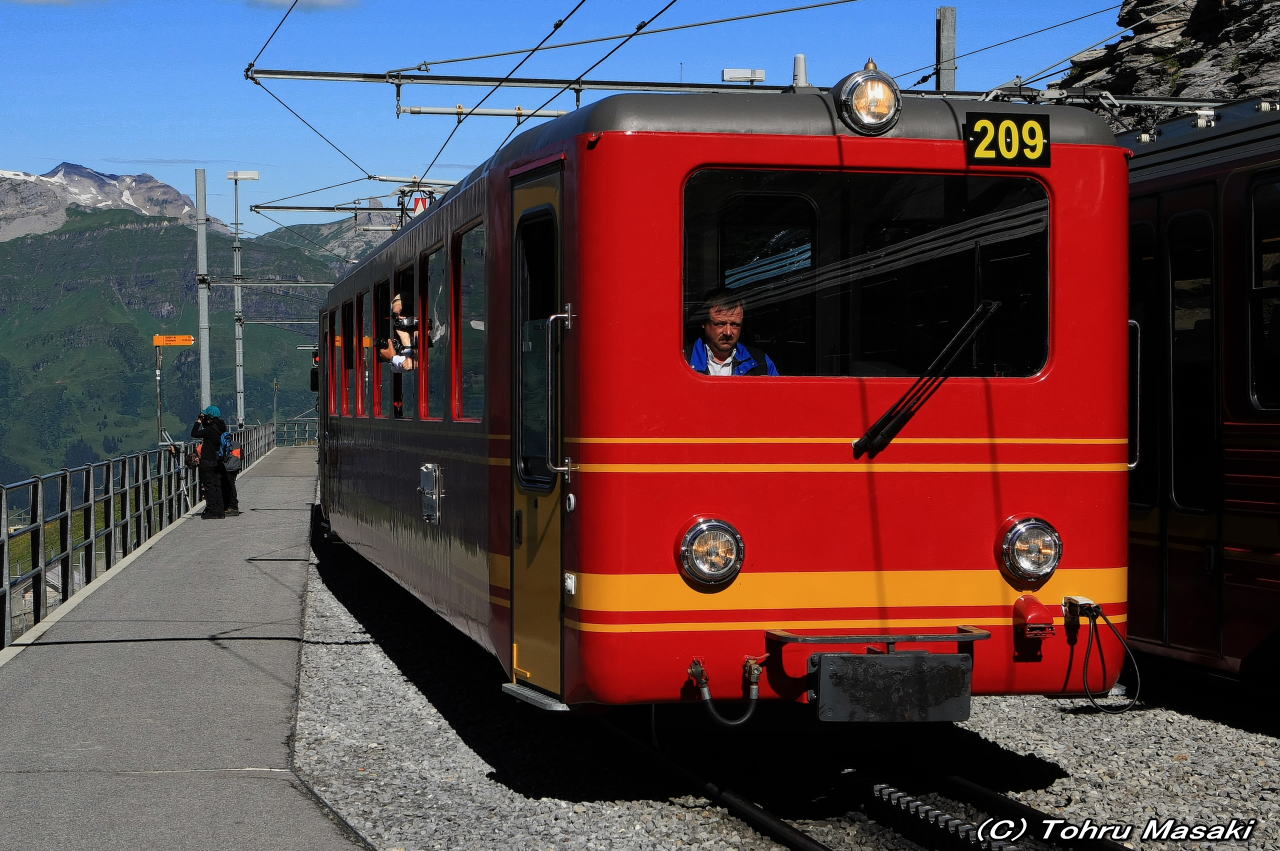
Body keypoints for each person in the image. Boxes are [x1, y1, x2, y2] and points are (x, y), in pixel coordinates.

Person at [686, 289, 779, 376]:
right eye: (720, 324)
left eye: (735, 325)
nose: (728, 332)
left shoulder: (761, 362)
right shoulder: (684, 359)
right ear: (704, 323)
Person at [190, 405, 228, 519]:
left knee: (209, 487)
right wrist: (205, 421)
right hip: (217, 461)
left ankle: (212, 510)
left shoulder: (209, 430)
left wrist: (198, 421)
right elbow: (209, 428)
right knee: (217, 486)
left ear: (209, 417)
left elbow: (194, 433)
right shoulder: (220, 428)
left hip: (208, 461)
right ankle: (220, 511)